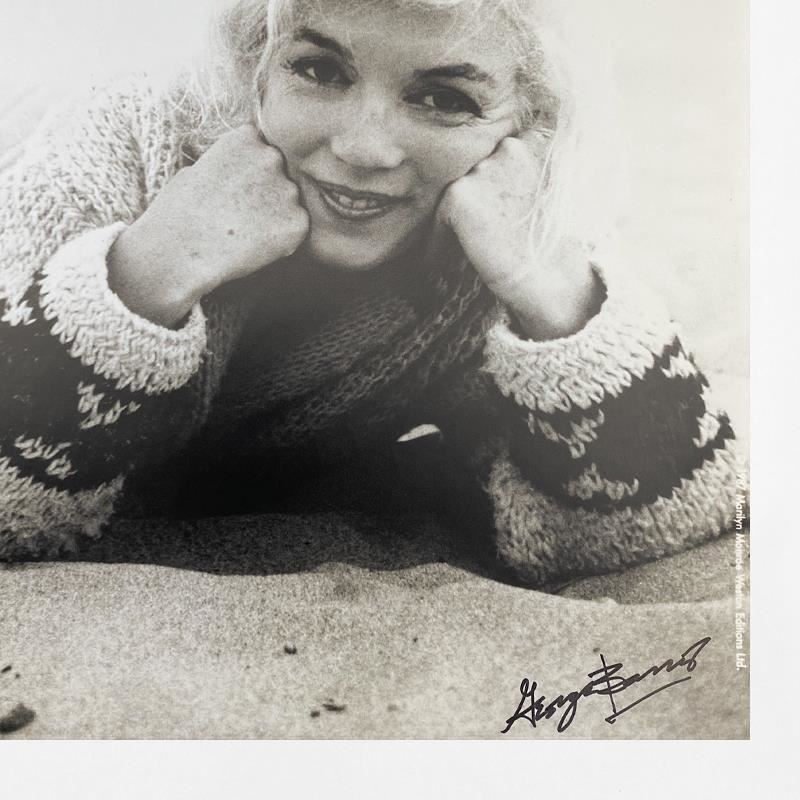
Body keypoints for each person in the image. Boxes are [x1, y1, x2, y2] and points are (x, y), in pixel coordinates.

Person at [0, 0, 742, 585]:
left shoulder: (504, 238)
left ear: (530, 127)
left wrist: (551, 297)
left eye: (443, 98)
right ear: (255, 65)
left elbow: (664, 519)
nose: (362, 148)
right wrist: (146, 273)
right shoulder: (117, 148)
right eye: (319, 70)